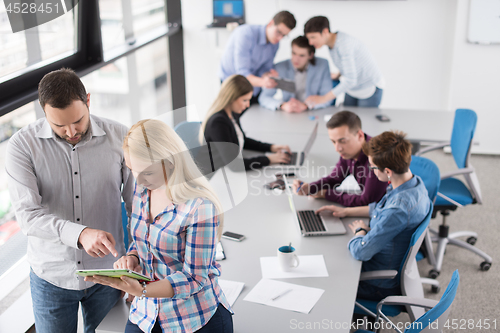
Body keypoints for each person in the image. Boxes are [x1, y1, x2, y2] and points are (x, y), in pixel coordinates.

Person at [5, 68, 134, 333]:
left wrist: (139, 263)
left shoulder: (120, 136)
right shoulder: (21, 146)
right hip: (51, 276)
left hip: (109, 274)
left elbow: (140, 206)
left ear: (88, 100)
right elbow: (28, 216)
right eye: (59, 125)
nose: (71, 131)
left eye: (78, 121)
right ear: (44, 111)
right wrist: (81, 234)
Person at [85, 119, 233, 333]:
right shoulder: (143, 189)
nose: (138, 179)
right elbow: (141, 240)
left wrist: (143, 289)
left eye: (147, 172)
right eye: (131, 169)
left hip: (192, 317)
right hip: (146, 311)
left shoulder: (200, 207)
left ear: (171, 162)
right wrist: (133, 258)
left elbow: (194, 278)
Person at [316, 131, 431, 301]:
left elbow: (361, 251)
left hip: (377, 284)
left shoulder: (398, 209)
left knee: (323, 274)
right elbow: (379, 209)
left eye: (373, 168)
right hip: (388, 260)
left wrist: (360, 231)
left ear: (387, 171)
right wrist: (347, 212)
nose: (371, 171)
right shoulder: (414, 184)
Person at [292, 111, 387, 207]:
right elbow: (335, 178)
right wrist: (310, 188)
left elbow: (368, 201)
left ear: (360, 136)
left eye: (343, 141)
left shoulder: (376, 159)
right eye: (333, 142)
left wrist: (326, 194)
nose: (337, 149)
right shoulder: (348, 152)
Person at [201, 74, 291, 171]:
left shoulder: (232, 114)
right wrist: (268, 159)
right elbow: (235, 165)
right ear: (231, 98)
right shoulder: (218, 123)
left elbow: (242, 140)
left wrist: (271, 147)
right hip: (215, 176)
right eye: (245, 100)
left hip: (224, 171)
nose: (248, 105)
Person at [304, 16, 385, 108]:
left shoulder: (344, 44)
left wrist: (323, 99)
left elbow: (350, 80)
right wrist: (339, 75)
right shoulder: (332, 44)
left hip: (369, 87)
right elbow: (347, 64)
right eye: (309, 38)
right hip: (353, 88)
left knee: (365, 120)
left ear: (325, 32)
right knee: (347, 118)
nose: (310, 42)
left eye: (313, 37)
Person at [219, 11, 296, 105]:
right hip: (232, 85)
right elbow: (242, 74)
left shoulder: (275, 44)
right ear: (270, 23)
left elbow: (264, 69)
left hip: (253, 87)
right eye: (278, 32)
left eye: (284, 35)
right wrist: (264, 82)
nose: (280, 38)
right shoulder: (246, 34)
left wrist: (268, 75)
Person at [259, 35, 333, 112]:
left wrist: (306, 106)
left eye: (301, 55)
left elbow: (328, 97)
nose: (296, 59)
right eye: (294, 53)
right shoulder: (280, 67)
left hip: (312, 112)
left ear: (311, 55)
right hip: (288, 113)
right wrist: (283, 105)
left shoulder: (322, 65)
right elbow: (264, 97)